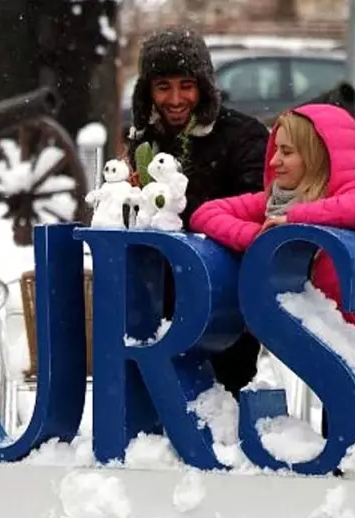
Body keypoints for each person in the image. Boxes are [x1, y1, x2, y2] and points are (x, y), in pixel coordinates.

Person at [189, 104, 355, 433]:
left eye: (286, 151)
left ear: (316, 155)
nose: (273, 161)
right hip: (341, 360)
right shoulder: (273, 201)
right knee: (343, 458)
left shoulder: (346, 194)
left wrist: (294, 220)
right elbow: (206, 214)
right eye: (274, 149)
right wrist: (256, 236)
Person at [125, 26, 270, 395]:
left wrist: (188, 213)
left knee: (222, 394)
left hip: (223, 301)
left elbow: (257, 205)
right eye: (163, 87)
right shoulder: (143, 141)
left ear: (203, 86)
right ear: (148, 92)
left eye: (186, 85)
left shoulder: (244, 136)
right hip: (156, 298)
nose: (175, 99)